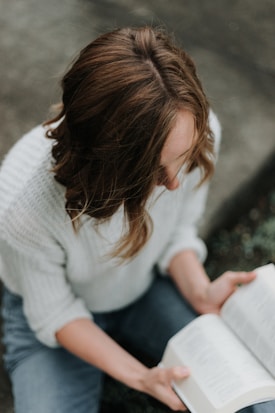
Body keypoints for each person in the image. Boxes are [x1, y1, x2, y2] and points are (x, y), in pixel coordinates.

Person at [0, 26, 273, 413]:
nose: (175, 183)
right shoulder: (22, 213)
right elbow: (55, 313)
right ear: (106, 164)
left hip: (143, 287)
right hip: (56, 320)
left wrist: (198, 291)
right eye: (153, 171)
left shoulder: (194, 132)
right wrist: (141, 376)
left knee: (259, 400)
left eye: (184, 158)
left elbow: (178, 230)